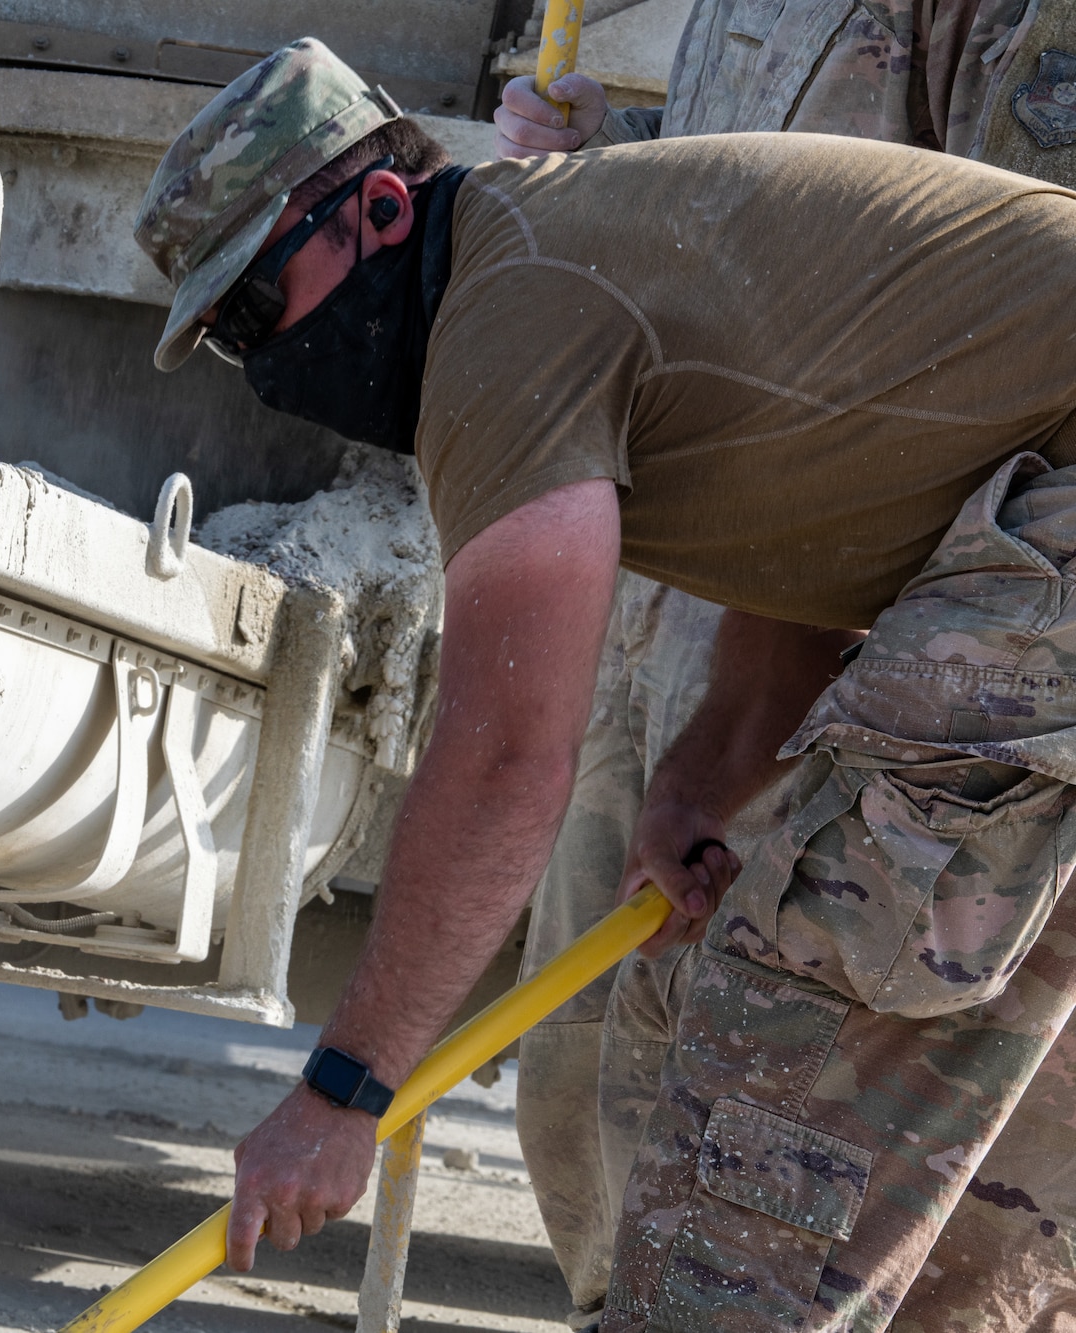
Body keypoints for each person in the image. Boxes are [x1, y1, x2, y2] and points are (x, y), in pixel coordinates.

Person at [135, 36, 1076, 1329]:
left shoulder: (500, 312)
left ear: (383, 210)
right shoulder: (571, 258)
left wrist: (344, 1092)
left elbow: (510, 753)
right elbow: (817, 517)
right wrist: (703, 777)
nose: (264, 357)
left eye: (255, 309)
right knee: (979, 1165)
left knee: (791, 1043)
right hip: (1034, 512)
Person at [492, 2, 1076, 1325]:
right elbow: (811, 194)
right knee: (606, 1134)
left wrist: (759, 729)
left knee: (843, 1240)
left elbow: (1022, 325)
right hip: (691, 650)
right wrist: (619, 170)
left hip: (893, 728)